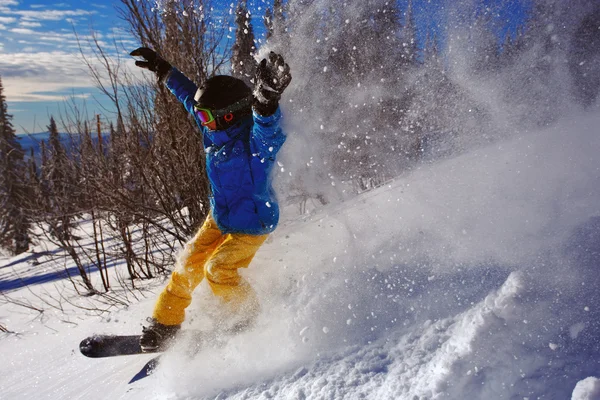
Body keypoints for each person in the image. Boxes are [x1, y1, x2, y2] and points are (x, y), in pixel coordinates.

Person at [129, 47, 292, 352]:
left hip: (252, 224)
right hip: (220, 216)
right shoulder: (215, 131)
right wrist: (165, 71)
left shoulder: (254, 146)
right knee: (190, 260)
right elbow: (191, 99)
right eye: (201, 116)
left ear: (228, 115)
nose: (201, 120)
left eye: (206, 116)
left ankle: (249, 316)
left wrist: (267, 104)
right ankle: (166, 322)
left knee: (217, 270)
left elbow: (268, 132)